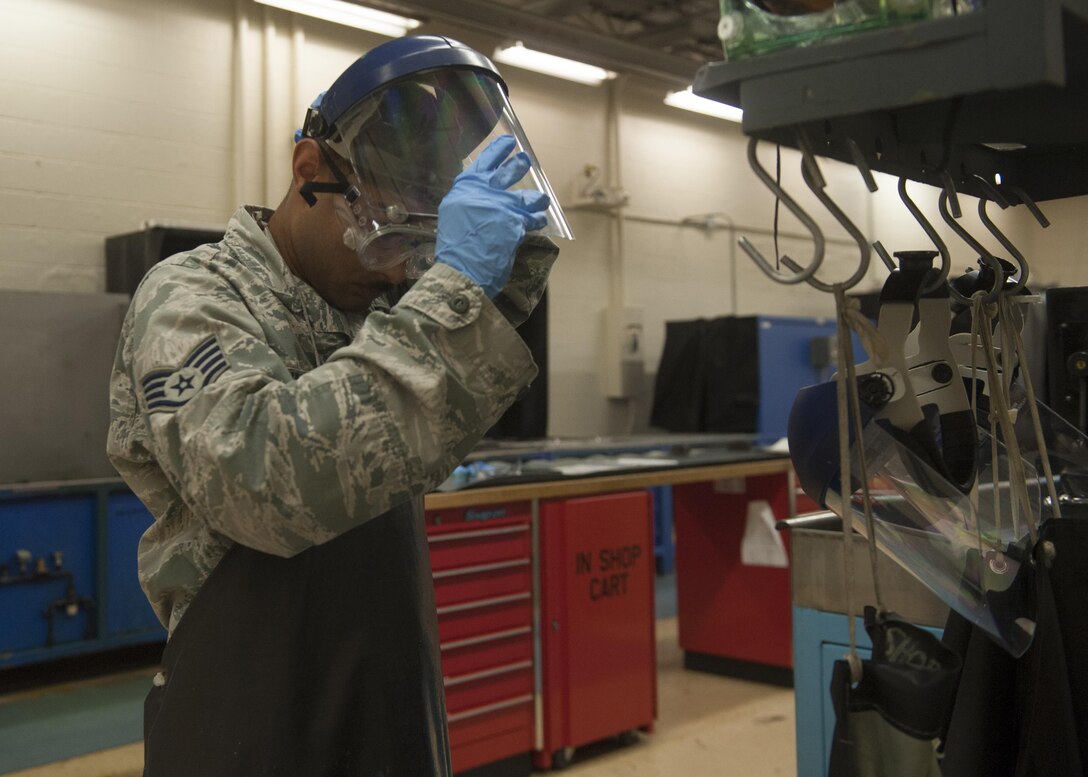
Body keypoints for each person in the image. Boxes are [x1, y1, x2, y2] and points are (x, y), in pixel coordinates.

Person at [106, 34, 567, 777]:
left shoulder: (363, 315)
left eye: (411, 248)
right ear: (309, 171)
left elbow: (409, 389)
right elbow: (265, 472)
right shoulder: (193, 294)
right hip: (249, 724)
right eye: (379, 236)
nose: (393, 273)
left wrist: (493, 272)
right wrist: (450, 292)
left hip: (385, 703)